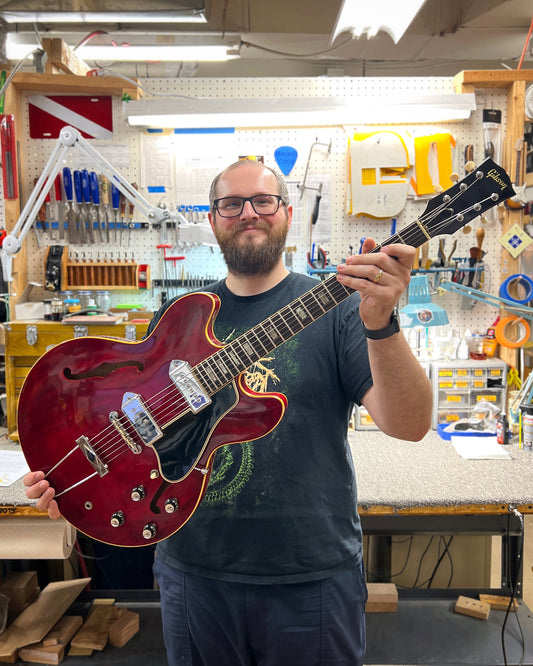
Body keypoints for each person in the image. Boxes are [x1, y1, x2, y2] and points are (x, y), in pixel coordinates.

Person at [25, 159, 433, 666]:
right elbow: (139, 430)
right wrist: (78, 478)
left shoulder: (343, 308)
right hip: (193, 572)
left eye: (263, 201)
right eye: (231, 204)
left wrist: (382, 322)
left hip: (310, 574)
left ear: (286, 212)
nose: (248, 214)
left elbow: (411, 425)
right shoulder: (181, 313)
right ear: (214, 218)